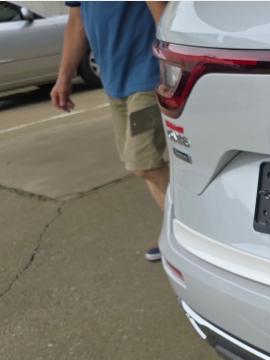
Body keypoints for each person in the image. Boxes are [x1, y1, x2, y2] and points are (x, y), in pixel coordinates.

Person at [51, 1, 169, 262]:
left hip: (148, 78)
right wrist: (64, 77)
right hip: (114, 81)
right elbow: (77, 22)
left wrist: (169, 65)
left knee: (144, 163)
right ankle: (177, 233)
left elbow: (161, 10)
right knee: (147, 165)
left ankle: (187, 232)